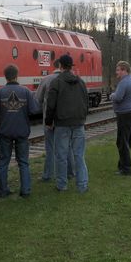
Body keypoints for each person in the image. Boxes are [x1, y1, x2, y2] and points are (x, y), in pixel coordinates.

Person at [0, 64, 40, 198]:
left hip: (5, 131)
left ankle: (3, 190)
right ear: (17, 75)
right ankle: (25, 190)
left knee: (3, 162)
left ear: (5, 76)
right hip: (22, 131)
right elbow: (34, 110)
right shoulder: (26, 92)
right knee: (23, 162)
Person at [45, 54, 89, 193]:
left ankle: (62, 185)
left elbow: (51, 105)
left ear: (60, 66)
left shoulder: (56, 82)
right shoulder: (81, 82)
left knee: (61, 155)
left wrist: (48, 122)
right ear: (71, 66)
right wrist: (82, 117)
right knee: (79, 155)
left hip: (62, 123)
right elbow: (86, 102)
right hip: (78, 122)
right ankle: (82, 185)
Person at [35, 59, 74, 181]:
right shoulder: (73, 79)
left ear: (56, 66)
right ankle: (70, 172)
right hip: (66, 119)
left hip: (49, 120)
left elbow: (38, 99)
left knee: (50, 148)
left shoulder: (46, 80)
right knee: (67, 146)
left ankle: (48, 175)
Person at [110, 60, 131, 176]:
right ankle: (122, 165)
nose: (116, 72)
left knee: (122, 142)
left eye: (118, 70)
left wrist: (111, 95)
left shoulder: (124, 82)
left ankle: (126, 169)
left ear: (124, 70)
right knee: (127, 142)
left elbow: (118, 97)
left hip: (125, 115)